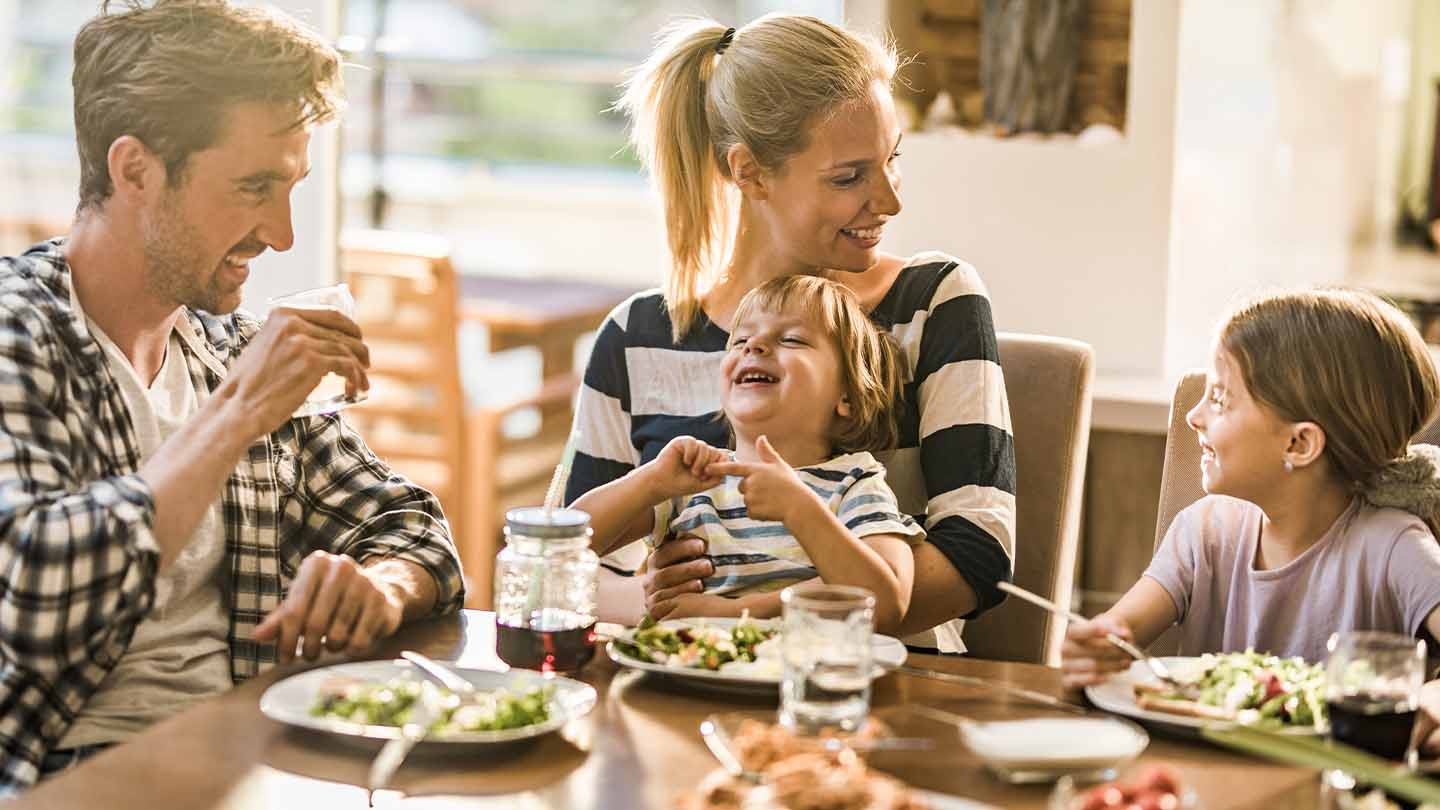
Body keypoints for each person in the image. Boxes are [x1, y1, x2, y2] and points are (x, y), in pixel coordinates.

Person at [0, 0, 464, 791]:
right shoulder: (20, 334)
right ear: (134, 168)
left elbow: (412, 527)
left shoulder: (231, 349)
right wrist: (237, 415)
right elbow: (32, 600)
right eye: (254, 186)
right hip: (70, 774)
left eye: (292, 188)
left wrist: (378, 589)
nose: (281, 234)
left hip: (249, 748)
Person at [565, 14, 1015, 653]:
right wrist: (656, 602)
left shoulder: (934, 301)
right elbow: (560, 562)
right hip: (685, 682)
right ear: (749, 172)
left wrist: (740, 610)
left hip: (871, 686)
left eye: (892, 160)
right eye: (848, 176)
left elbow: (979, 554)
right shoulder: (636, 337)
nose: (888, 200)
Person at [1062, 289, 1440, 687]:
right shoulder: (1202, 532)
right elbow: (1120, 632)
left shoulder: (1394, 546)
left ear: (1299, 444)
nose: (1193, 416)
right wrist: (1094, 649)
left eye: (1220, 400)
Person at [574, 276, 925, 633]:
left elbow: (886, 603)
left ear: (847, 397)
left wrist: (799, 511)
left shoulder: (854, 483)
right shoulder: (693, 481)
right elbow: (564, 545)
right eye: (740, 340)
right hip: (685, 679)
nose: (753, 345)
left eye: (792, 339)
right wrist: (648, 482)